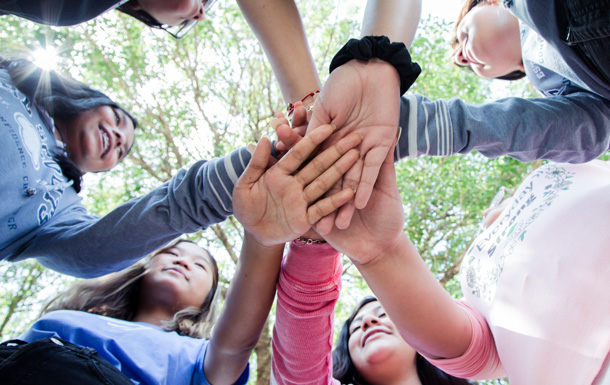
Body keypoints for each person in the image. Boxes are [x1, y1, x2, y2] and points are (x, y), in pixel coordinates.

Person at [11, 122, 362, 384]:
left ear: (207, 301)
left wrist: (263, 233)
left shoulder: (196, 358)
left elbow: (236, 343)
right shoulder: (63, 319)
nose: (183, 260)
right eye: (175, 252)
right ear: (142, 266)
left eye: (200, 267)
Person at [312, 138, 610, 384]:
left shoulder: (572, 171)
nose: (370, 321)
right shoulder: (481, 293)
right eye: (355, 327)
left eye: (381, 311)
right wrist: (379, 254)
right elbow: (460, 344)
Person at [0, 55, 261, 277]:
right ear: (90, 99)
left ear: (93, 171)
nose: (117, 137)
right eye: (116, 118)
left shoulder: (60, 208)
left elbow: (98, 249)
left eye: (121, 150)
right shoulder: (11, 77)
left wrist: (250, 168)